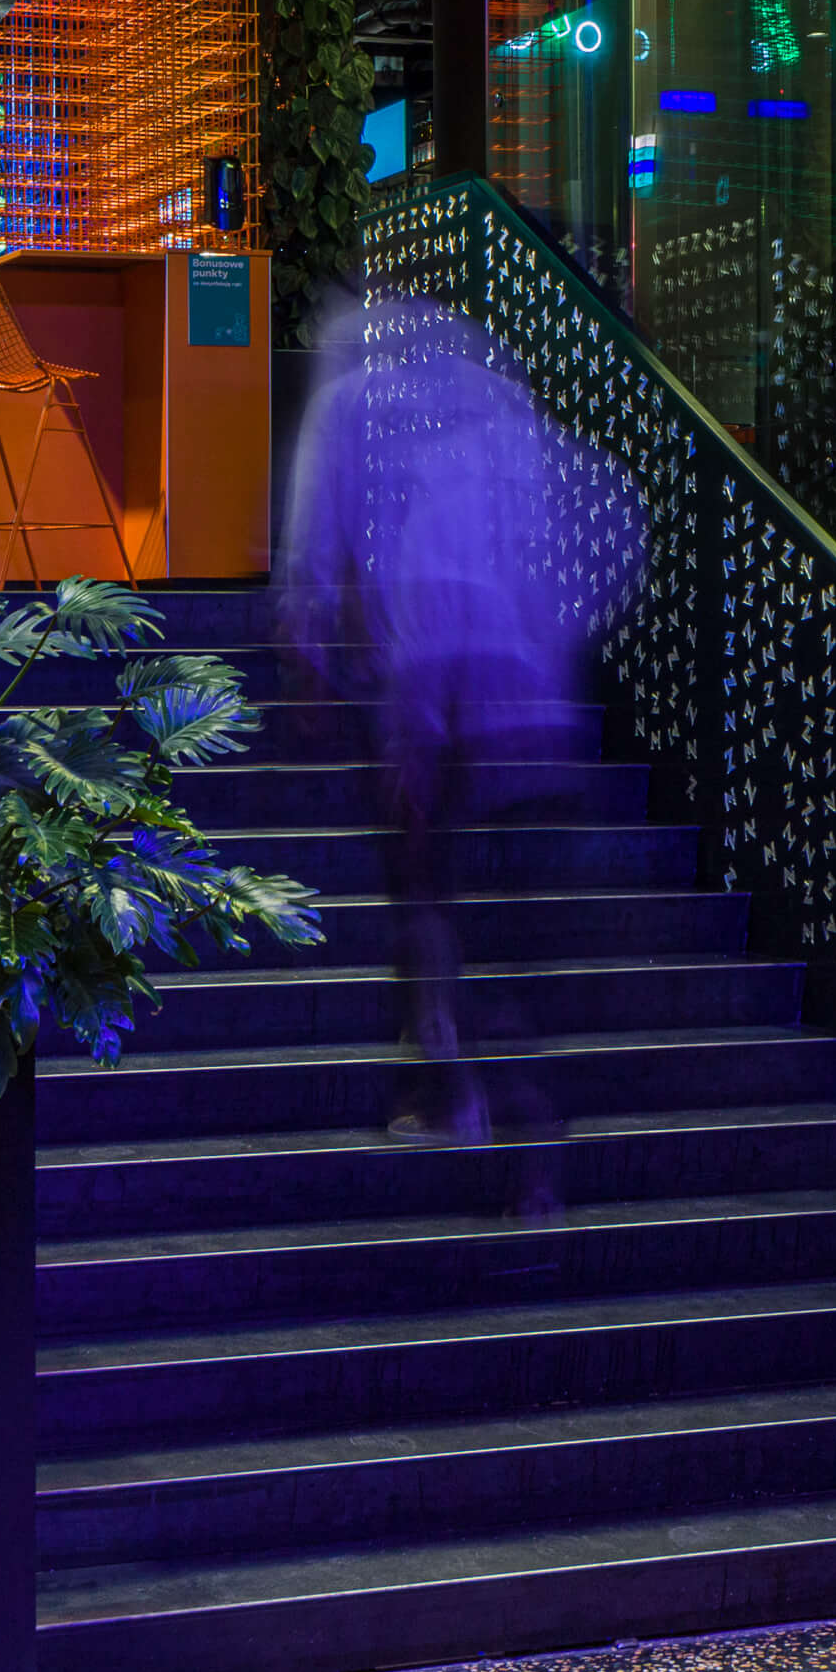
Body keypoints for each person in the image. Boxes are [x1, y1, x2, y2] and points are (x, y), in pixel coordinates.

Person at [273, 290, 616, 1192]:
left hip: (440, 714)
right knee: (512, 923)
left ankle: (452, 1087)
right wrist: (561, 641)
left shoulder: (358, 406)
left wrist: (324, 670)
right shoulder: (498, 412)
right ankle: (518, 1118)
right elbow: (593, 524)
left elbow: (338, 554)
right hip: (534, 717)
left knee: (432, 900)